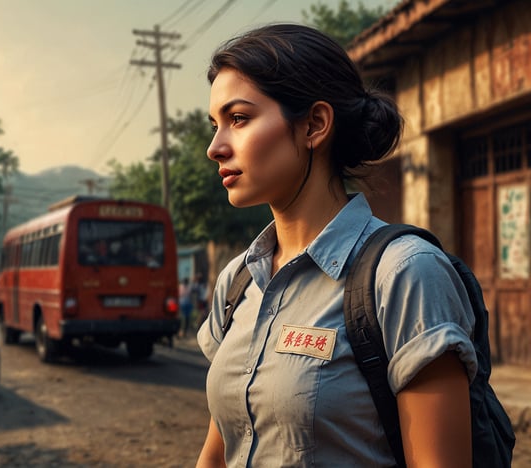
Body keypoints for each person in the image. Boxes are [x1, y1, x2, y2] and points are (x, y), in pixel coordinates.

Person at [196, 24, 476, 467]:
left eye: (239, 119)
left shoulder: (404, 273)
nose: (215, 147)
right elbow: (217, 451)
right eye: (216, 125)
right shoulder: (238, 282)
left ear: (315, 125)